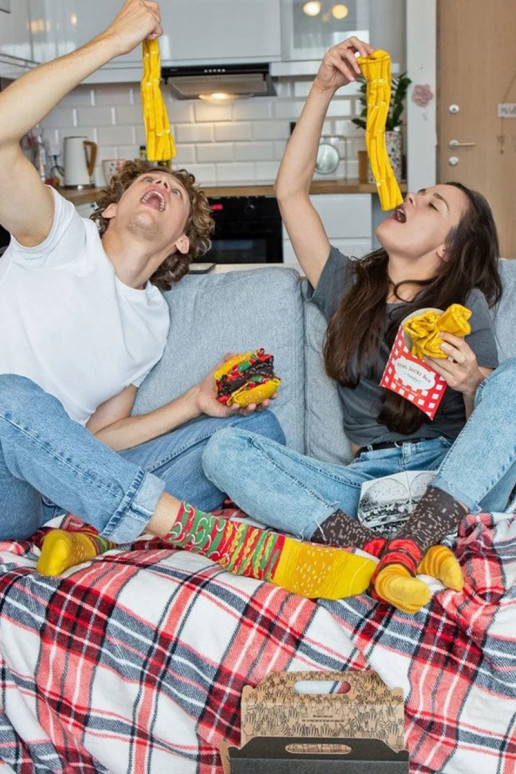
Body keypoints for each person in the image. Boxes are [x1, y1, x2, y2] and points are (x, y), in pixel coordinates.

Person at [0, 1, 385, 601]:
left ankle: (91, 537)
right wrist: (114, 40)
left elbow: (97, 442)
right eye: (146, 183)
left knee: (250, 425)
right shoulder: (54, 236)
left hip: (45, 490)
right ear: (107, 209)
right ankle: (209, 535)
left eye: (173, 191)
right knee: (9, 397)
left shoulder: (151, 320)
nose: (158, 185)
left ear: (182, 237)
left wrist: (194, 402)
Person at [200, 37, 507, 613]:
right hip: (366, 487)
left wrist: (471, 383)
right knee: (223, 450)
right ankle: (362, 549)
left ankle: (414, 542)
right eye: (418, 192)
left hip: (448, 477)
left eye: (432, 205)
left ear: (446, 250)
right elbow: (290, 194)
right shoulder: (348, 288)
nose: (412, 198)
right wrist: (323, 89)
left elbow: (490, 426)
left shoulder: (464, 304)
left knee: (511, 383)